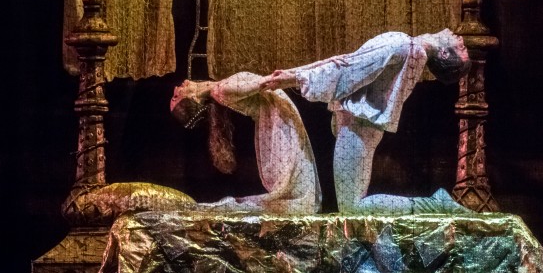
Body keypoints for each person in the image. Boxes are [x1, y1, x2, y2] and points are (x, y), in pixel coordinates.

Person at [261, 28, 471, 215]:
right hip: (359, 126)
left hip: (358, 127)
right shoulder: (409, 48)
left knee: (352, 207)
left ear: (444, 54)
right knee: (352, 206)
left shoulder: (404, 46)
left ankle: (436, 205)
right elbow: (347, 62)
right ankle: (435, 205)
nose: (461, 39)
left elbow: (347, 69)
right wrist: (294, 74)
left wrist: (295, 78)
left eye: (461, 48)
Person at [170, 71, 321, 215]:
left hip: (281, 116)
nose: (176, 87)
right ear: (194, 99)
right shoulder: (222, 90)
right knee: (292, 195)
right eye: (177, 95)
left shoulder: (220, 88)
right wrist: (300, 75)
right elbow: (266, 82)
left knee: (295, 186)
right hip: (280, 123)